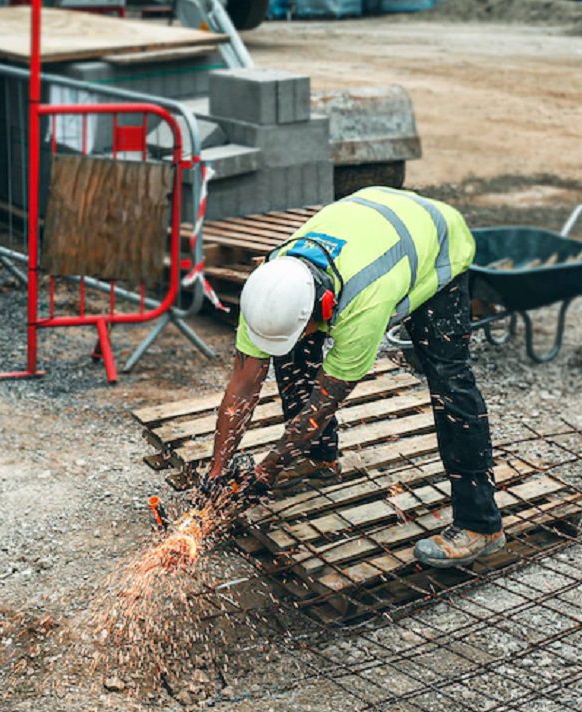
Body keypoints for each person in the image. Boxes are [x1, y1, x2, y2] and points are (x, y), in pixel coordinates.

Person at [204, 186, 502, 568]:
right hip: (374, 220)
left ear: (326, 307)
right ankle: (319, 458)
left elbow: (324, 403)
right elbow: (243, 385)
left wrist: (264, 473)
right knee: (292, 351)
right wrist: (217, 472)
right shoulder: (269, 287)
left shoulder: (365, 302)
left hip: (437, 242)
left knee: (450, 381)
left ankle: (481, 523)